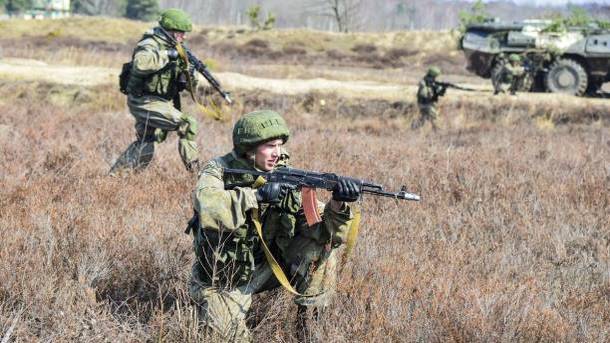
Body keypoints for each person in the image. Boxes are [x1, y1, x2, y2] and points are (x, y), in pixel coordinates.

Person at [187, 110, 360, 342]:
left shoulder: (283, 173)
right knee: (224, 336)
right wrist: (255, 196)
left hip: (270, 265)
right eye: (270, 146)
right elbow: (208, 206)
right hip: (226, 278)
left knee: (324, 248)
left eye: (280, 145)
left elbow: (321, 232)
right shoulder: (217, 170)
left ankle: (309, 324)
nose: (277, 153)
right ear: (248, 149)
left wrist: (338, 204)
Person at [110, 8, 201, 174]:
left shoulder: (177, 47)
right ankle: (196, 174)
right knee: (187, 124)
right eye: (181, 33)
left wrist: (189, 73)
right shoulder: (150, 43)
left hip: (158, 101)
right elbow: (141, 64)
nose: (184, 37)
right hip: (143, 100)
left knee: (147, 140)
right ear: (170, 31)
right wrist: (169, 54)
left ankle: (116, 177)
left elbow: (189, 87)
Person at [412, 66, 445, 131]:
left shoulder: (428, 81)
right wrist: (433, 92)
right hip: (425, 104)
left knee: (424, 118)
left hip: (423, 103)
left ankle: (414, 127)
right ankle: (438, 131)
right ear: (434, 74)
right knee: (434, 117)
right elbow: (424, 94)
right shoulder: (425, 83)